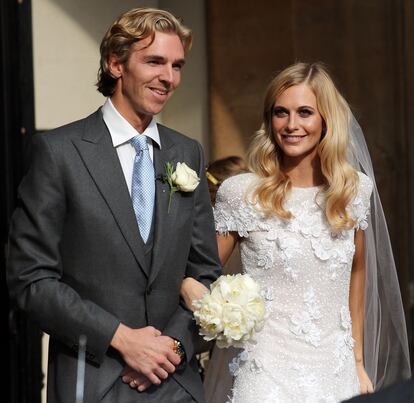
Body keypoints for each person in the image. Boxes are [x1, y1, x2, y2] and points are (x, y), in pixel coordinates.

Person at [7, 7, 221, 403]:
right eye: (154, 61)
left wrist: (171, 348)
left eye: (177, 65)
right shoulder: (60, 153)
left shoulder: (186, 152)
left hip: (176, 385)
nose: (169, 77)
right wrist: (122, 340)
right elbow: (31, 280)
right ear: (115, 63)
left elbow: (205, 272)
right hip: (93, 382)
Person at [180, 62, 410, 402]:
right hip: (262, 368)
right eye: (280, 113)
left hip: (335, 368)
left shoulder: (354, 190)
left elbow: (357, 272)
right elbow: (202, 269)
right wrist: (190, 288)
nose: (291, 125)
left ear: (325, 120)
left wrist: (358, 360)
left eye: (304, 112)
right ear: (269, 120)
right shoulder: (241, 192)